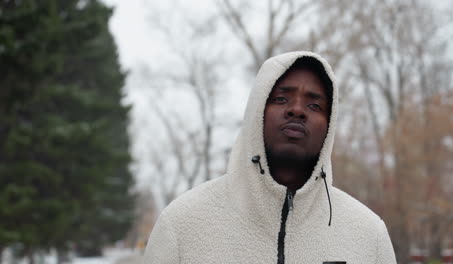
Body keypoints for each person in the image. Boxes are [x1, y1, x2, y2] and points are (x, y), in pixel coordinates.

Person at [143, 51, 397, 263]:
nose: (297, 110)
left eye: (314, 105)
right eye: (281, 98)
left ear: (329, 125)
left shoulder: (368, 235)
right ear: (257, 111)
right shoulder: (182, 225)